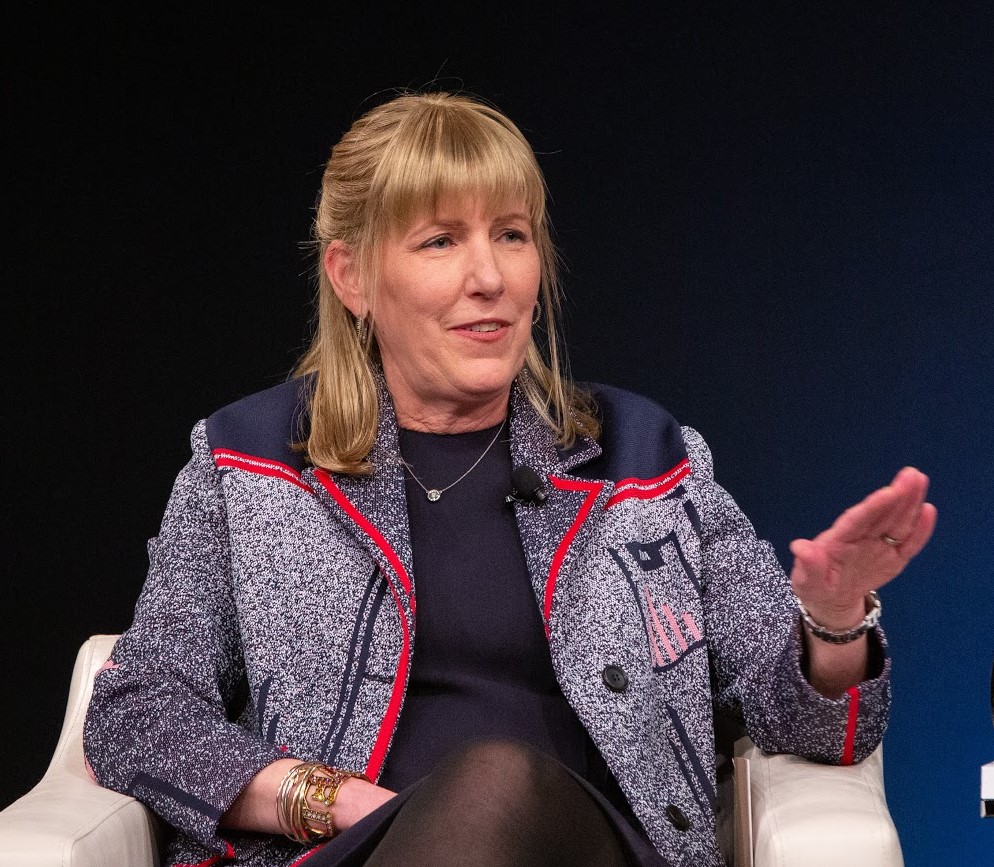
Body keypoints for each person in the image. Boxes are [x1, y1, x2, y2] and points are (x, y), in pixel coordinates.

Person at [82, 91, 936, 867]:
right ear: (352, 277)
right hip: (348, 852)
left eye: (512, 235)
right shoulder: (247, 463)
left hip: (593, 851)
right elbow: (137, 709)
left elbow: (807, 719)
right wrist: (328, 798)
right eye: (440, 240)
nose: (488, 277)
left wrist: (831, 622)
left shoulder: (646, 459)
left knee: (493, 781)